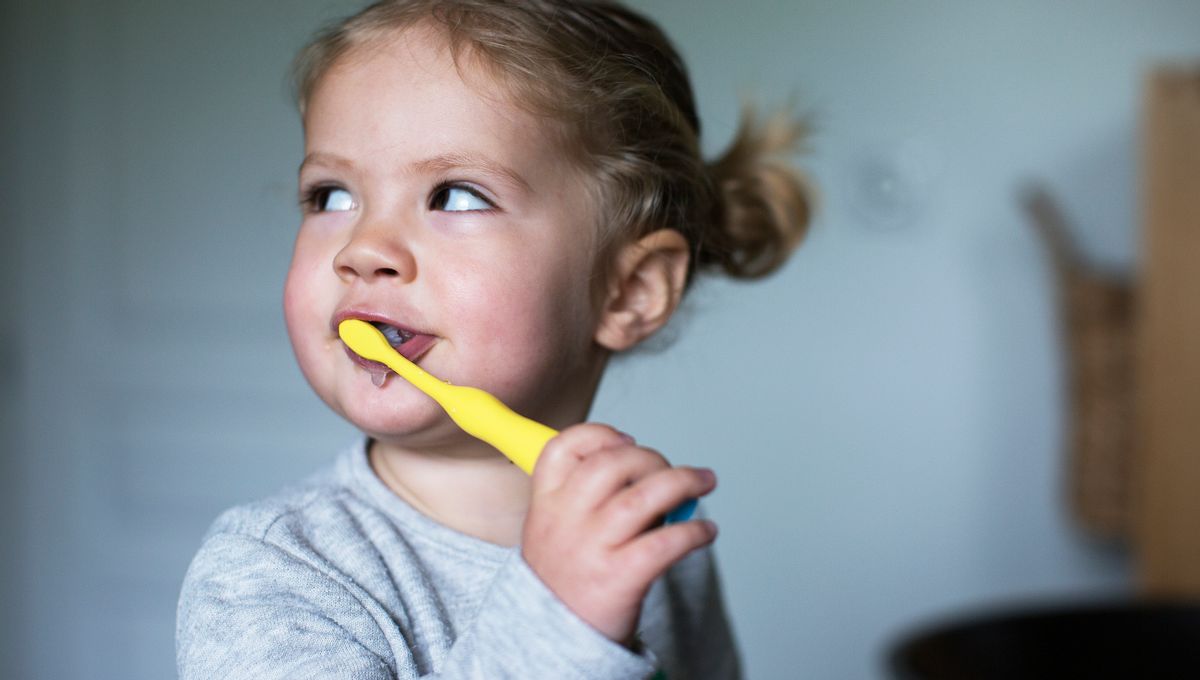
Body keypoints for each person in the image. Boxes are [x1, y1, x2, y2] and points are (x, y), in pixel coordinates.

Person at [176, 1, 811, 677]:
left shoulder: (646, 531)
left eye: (454, 195)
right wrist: (556, 622)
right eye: (331, 196)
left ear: (629, 291)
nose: (362, 249)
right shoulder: (274, 573)